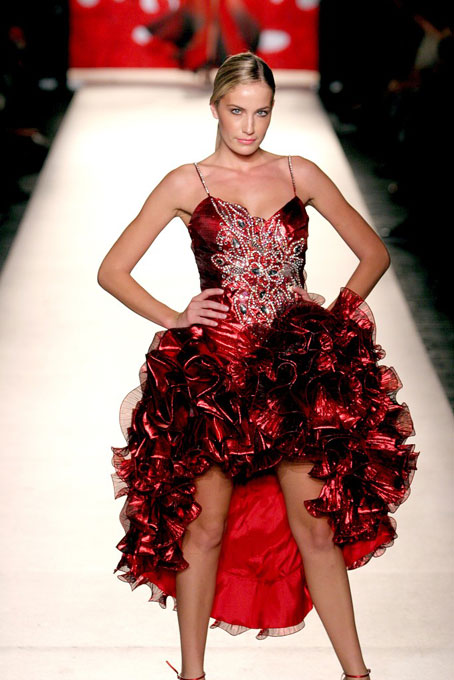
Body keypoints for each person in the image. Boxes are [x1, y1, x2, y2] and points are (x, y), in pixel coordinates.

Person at [97, 51, 419, 680]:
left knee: (317, 531)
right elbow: (112, 270)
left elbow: (374, 254)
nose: (249, 126)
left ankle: (358, 675)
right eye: (237, 111)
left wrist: (330, 325)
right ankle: (193, 675)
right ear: (215, 107)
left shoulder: (300, 173)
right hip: (214, 375)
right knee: (205, 531)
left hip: (294, 379)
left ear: (273, 111)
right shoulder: (186, 183)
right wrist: (176, 316)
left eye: (262, 113)